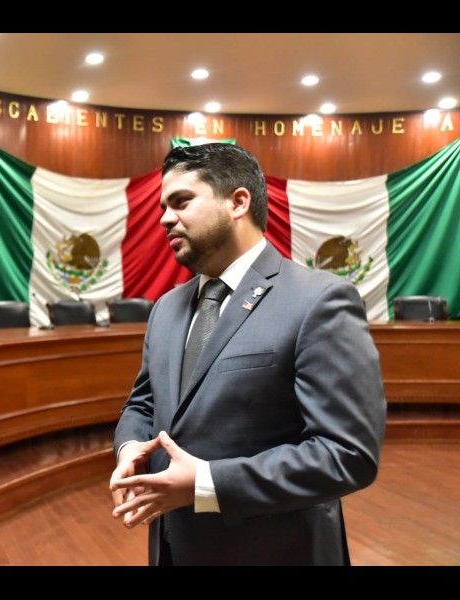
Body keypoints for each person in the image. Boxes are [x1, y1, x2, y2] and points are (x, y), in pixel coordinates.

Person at [109, 143, 386, 566]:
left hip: (277, 551)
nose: (164, 218)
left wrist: (207, 482)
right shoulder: (165, 307)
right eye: (164, 206)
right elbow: (144, 404)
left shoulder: (319, 301)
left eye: (181, 201)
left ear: (238, 202)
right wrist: (130, 447)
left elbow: (347, 454)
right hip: (173, 548)